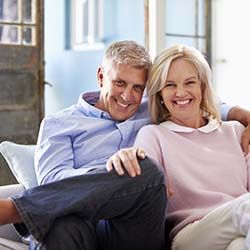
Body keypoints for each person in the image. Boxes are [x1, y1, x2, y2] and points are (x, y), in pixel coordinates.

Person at [0, 40, 250, 250]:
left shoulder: (150, 109)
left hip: (131, 228)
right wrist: (112, 172)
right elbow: (54, 182)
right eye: (120, 83)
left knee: (144, 169)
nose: (128, 96)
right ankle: (24, 210)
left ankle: (17, 209)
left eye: (137, 88)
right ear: (101, 76)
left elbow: (191, 99)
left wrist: (241, 114)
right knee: (60, 224)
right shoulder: (60, 124)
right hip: (80, 220)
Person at [107, 44, 250, 250]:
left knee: (238, 246)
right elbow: (142, 182)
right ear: (160, 94)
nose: (180, 92)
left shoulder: (236, 132)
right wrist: (126, 157)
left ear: (202, 86)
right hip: (191, 234)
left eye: (189, 82)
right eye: (170, 85)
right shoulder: (153, 136)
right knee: (245, 208)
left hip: (238, 225)